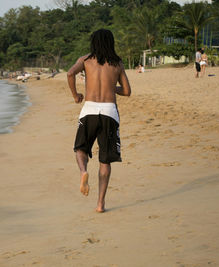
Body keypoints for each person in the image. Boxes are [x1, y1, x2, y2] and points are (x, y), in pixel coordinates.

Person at [67, 29, 131, 213]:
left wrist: (75, 95)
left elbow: (70, 74)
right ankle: (100, 204)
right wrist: (112, 87)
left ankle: (83, 172)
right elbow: (127, 91)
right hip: (110, 113)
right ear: (111, 42)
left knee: (81, 148)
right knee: (105, 160)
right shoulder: (117, 63)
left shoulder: (85, 60)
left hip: (89, 110)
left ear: (93, 42)